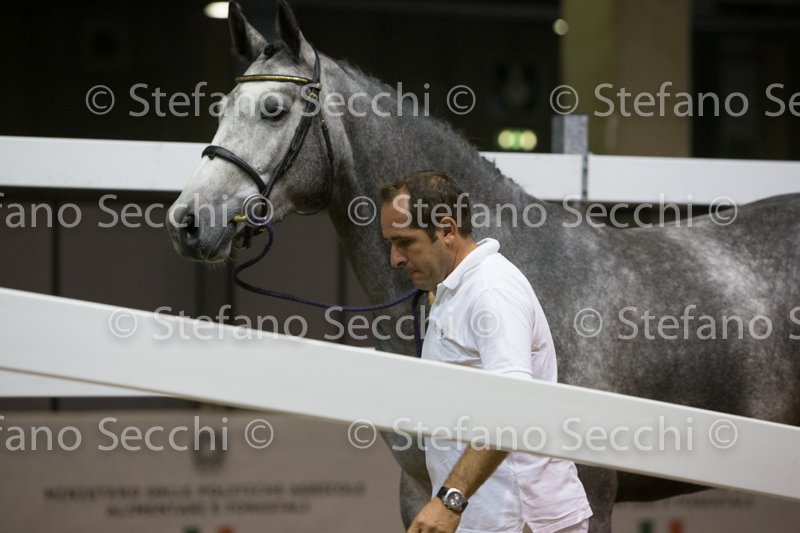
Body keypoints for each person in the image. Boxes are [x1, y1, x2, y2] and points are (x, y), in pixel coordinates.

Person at [378, 170, 593, 533]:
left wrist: (450, 500)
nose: (394, 259)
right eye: (391, 243)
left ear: (447, 230)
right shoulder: (459, 287)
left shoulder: (491, 291)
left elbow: (513, 405)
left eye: (405, 242)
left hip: (521, 520)